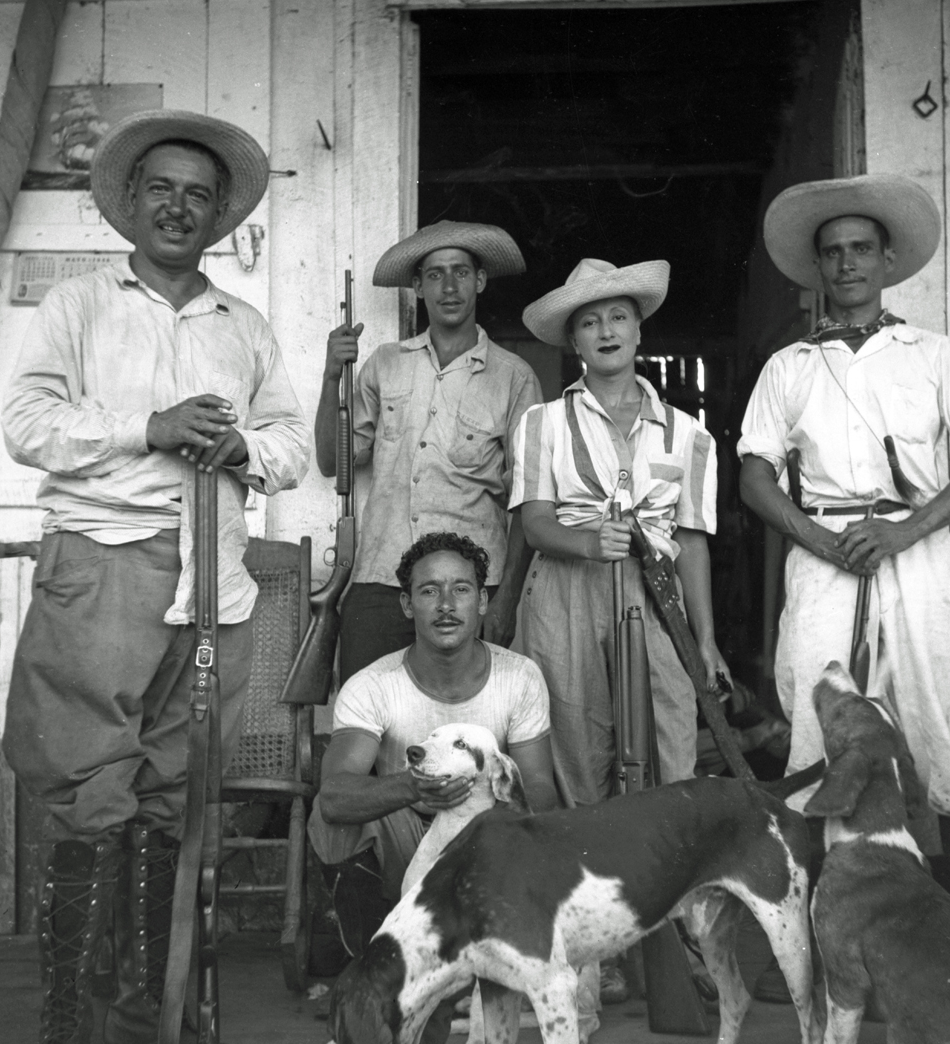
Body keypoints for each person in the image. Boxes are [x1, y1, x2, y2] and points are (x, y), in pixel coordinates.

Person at [0, 109, 311, 1044]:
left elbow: (293, 445)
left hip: (215, 580)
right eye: (162, 191)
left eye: (199, 197)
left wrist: (240, 445)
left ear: (220, 218)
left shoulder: (243, 325)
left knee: (172, 795)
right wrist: (150, 426)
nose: (179, 209)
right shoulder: (79, 307)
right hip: (102, 569)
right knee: (92, 793)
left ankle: (150, 1013)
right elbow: (24, 423)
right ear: (131, 203)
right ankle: (70, 1023)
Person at [738, 173, 950, 839]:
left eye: (861, 248)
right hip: (824, 553)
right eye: (833, 252)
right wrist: (818, 539)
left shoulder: (932, 354)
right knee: (818, 709)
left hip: (918, 549)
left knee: (944, 707)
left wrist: (903, 532)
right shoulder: (791, 366)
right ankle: (824, 894)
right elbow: (754, 476)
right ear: (819, 266)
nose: (848, 262)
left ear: (886, 260)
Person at [510, 258, 732, 810]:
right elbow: (534, 523)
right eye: (589, 322)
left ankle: (662, 877)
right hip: (566, 591)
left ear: (639, 330)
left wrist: (704, 639)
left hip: (657, 596)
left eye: (618, 317)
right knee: (576, 743)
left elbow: (694, 540)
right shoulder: (544, 422)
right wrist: (588, 543)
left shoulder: (689, 433)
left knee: (668, 731)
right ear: (573, 341)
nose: (606, 331)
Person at [316, 221, 542, 681]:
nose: (450, 286)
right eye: (435, 274)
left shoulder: (514, 377)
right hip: (380, 579)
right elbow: (331, 462)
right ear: (417, 286)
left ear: (480, 280)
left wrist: (506, 599)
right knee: (368, 720)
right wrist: (329, 377)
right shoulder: (384, 363)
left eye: (461, 271)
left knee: (466, 730)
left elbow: (530, 499)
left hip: (473, 585)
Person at [308, 531, 557, 904]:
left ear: (483, 600)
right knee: (332, 825)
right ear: (407, 604)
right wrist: (414, 787)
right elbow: (333, 796)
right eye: (429, 591)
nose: (445, 605)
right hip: (406, 835)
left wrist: (484, 829)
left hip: (484, 836)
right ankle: (381, 950)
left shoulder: (519, 677)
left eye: (461, 589)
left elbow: (538, 789)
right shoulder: (373, 685)